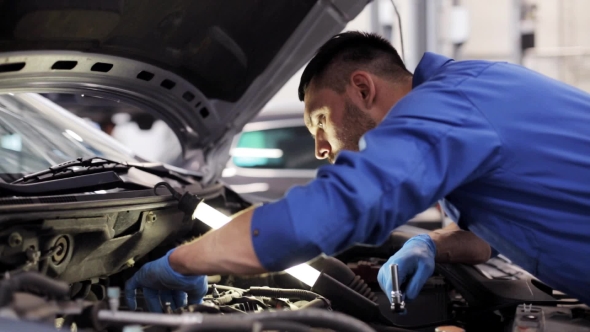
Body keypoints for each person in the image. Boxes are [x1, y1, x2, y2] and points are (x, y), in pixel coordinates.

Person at [125, 31, 590, 312]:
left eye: (320, 123)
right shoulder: (467, 95)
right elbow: (492, 235)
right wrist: (431, 243)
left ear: (363, 88)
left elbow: (336, 210)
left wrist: (181, 261)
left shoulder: (450, 106)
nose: (322, 149)